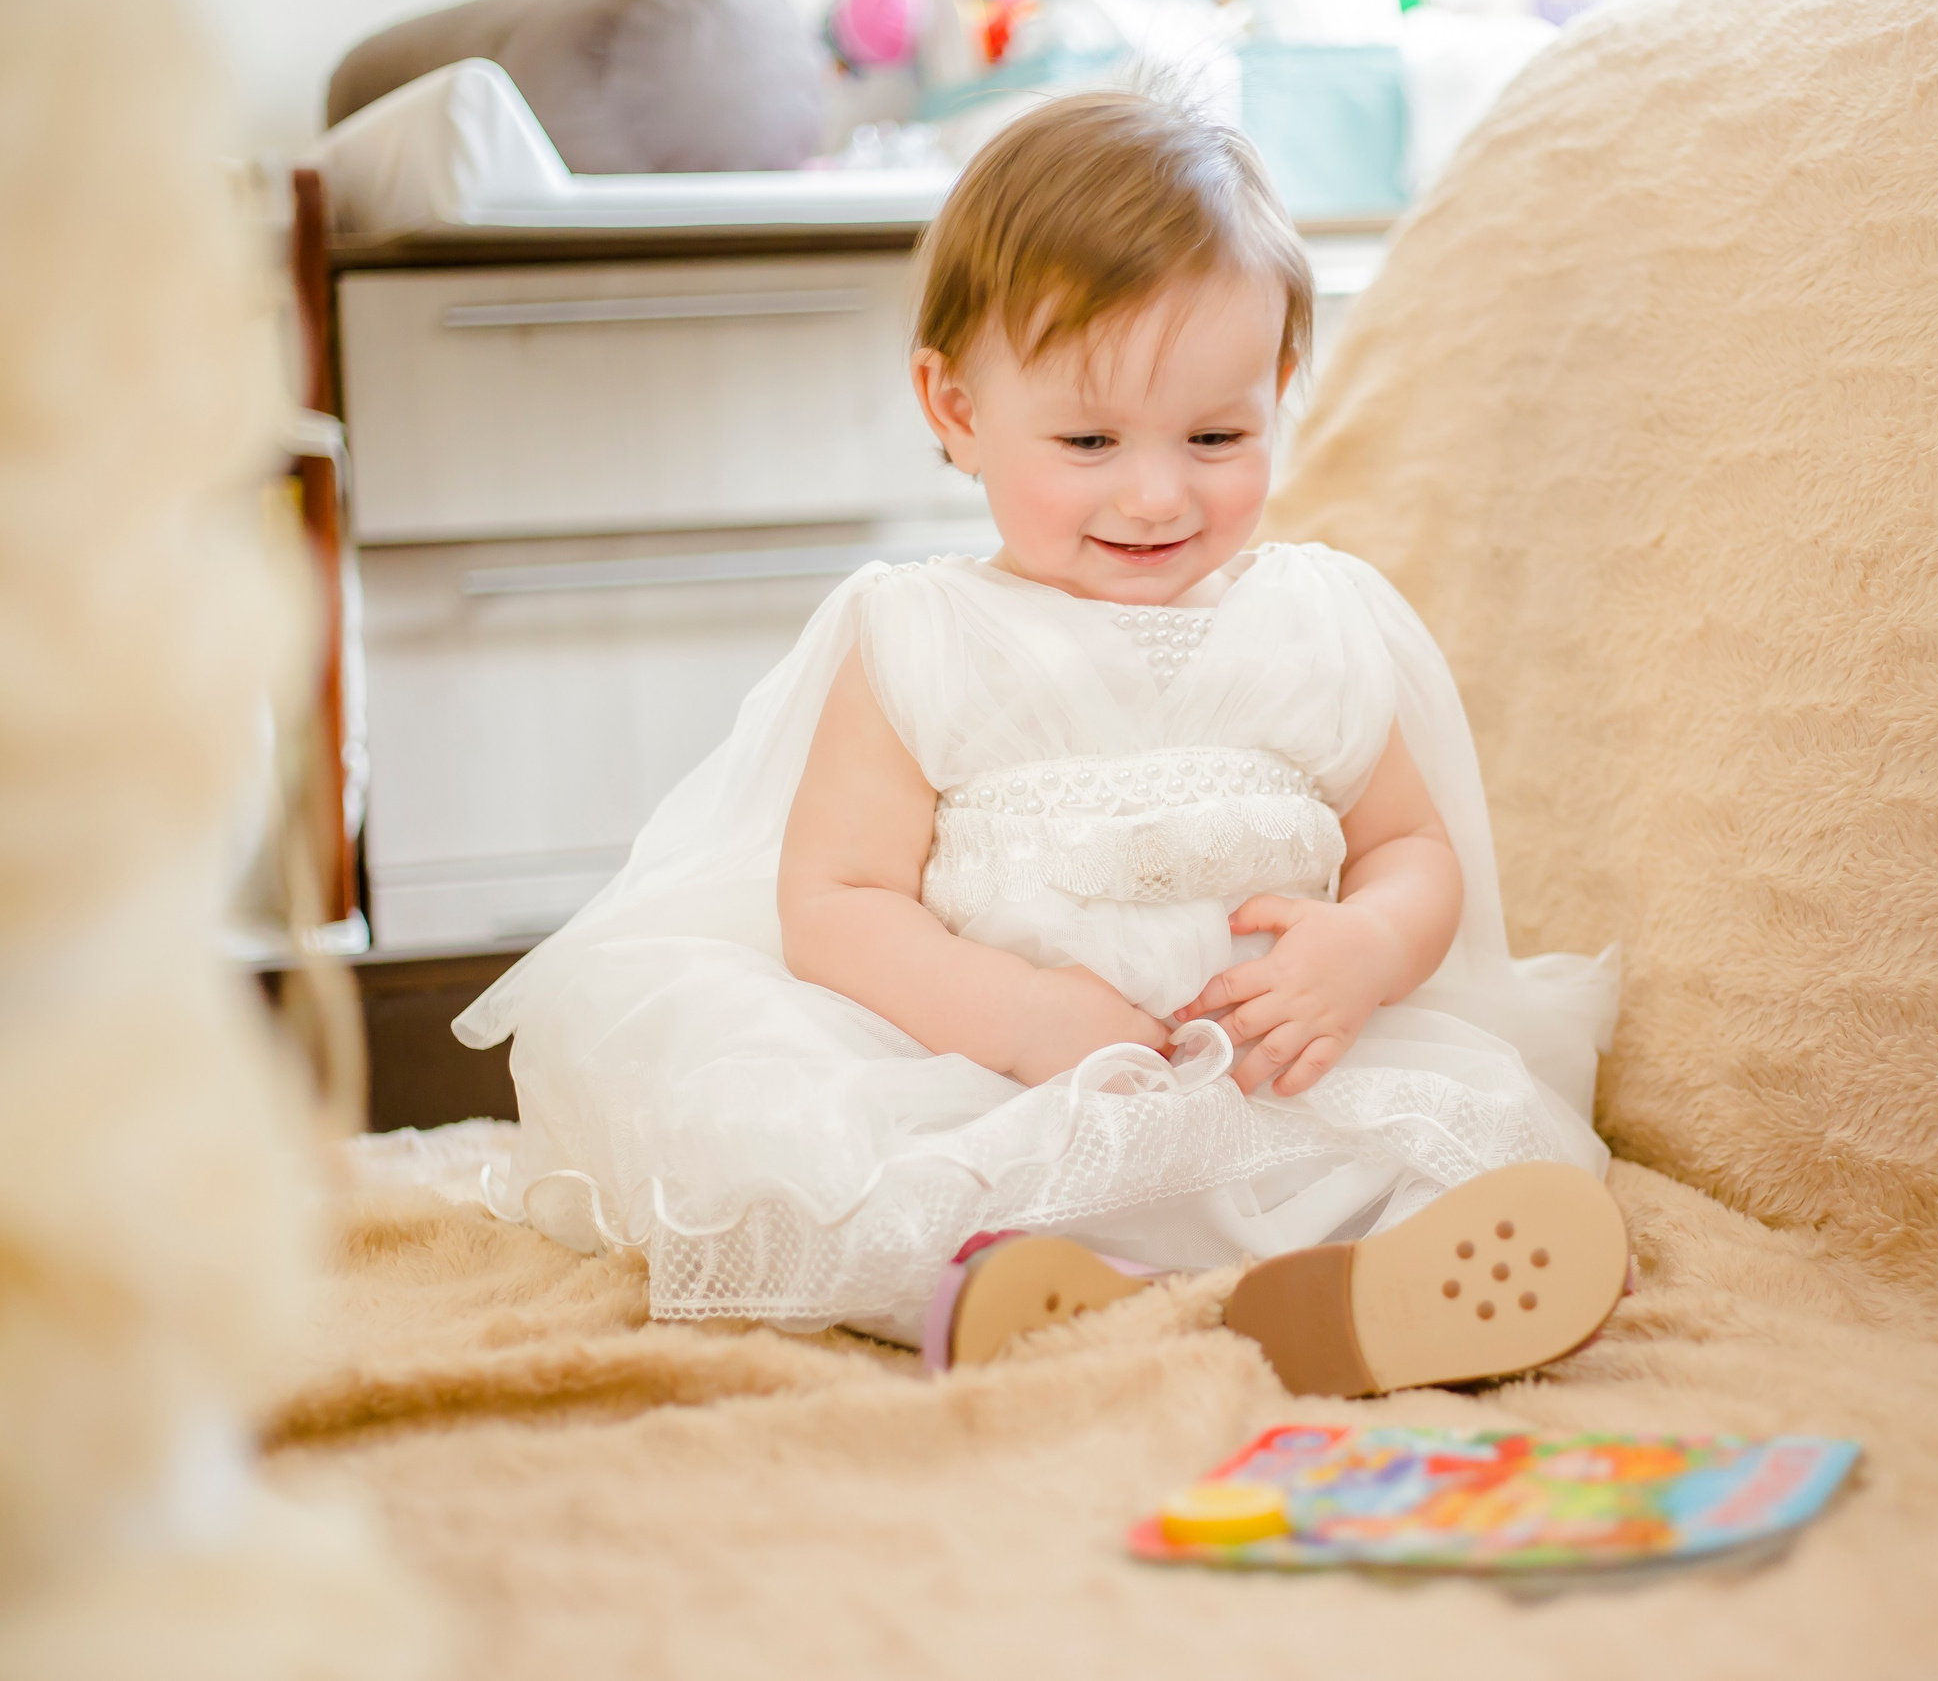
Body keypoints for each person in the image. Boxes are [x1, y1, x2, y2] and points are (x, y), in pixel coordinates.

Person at [455, 92, 1627, 1396]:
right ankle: (1054, 1294)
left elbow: (1409, 844)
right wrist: (1017, 1018)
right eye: (1088, 441)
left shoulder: (1312, 621)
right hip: (1003, 1086)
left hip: (1277, 1092)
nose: (1156, 491)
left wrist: (1365, 948)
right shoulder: (924, 636)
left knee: (1467, 1146)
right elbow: (837, 903)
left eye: (1218, 436)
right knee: (858, 1192)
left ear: (1278, 395)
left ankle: (1349, 1294)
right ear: (954, 409)